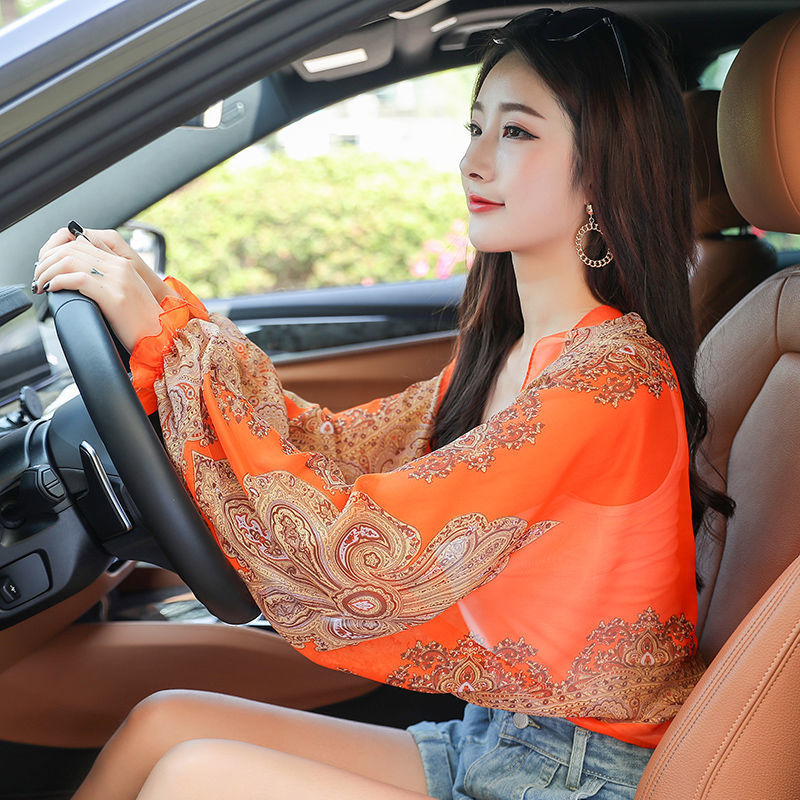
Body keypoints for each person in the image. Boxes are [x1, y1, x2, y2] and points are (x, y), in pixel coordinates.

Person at [33, 7, 731, 799]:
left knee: (195, 775)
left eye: (516, 132)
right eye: (475, 127)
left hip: (581, 776)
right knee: (164, 722)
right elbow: (332, 445)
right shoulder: (513, 354)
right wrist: (163, 320)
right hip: (496, 735)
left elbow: (363, 552)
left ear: (603, 170)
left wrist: (175, 346)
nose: (473, 161)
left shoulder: (613, 379)